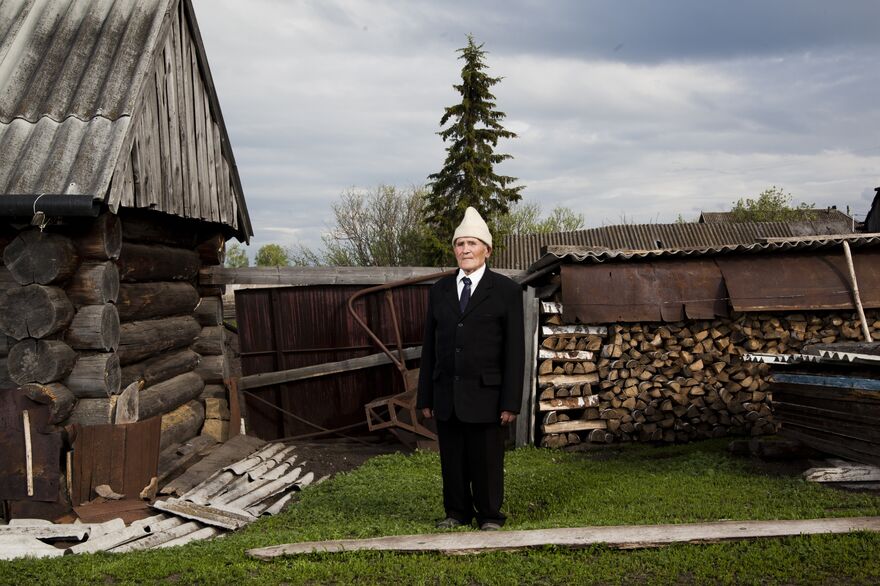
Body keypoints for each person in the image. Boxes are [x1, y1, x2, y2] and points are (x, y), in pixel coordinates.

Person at [417, 206, 524, 531]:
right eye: (460, 244)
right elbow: (429, 347)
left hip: (488, 394)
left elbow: (515, 350)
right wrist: (426, 396)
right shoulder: (440, 291)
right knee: (452, 458)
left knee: (486, 459)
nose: (465, 250)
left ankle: (490, 515)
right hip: (447, 391)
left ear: (486, 250)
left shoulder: (506, 291)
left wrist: (510, 401)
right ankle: (456, 512)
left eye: (472, 244)